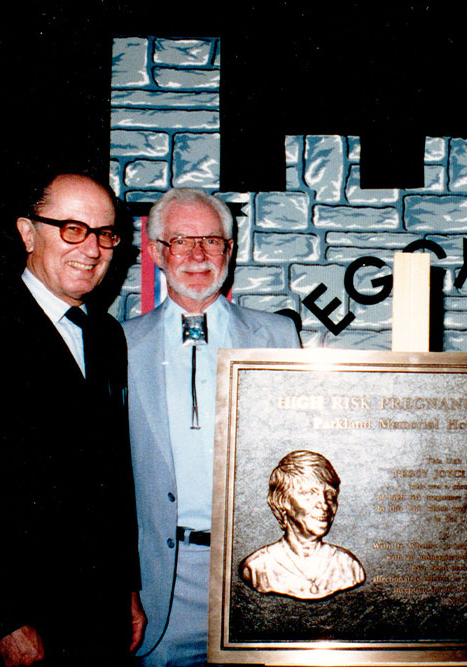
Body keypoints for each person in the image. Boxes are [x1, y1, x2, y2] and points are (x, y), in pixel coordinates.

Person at [0, 173, 145, 666]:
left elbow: (111, 476)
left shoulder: (105, 336)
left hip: (99, 615)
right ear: (27, 232)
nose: (93, 248)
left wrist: (126, 586)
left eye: (105, 233)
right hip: (17, 620)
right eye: (72, 228)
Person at [126, 187, 300, 666]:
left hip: (255, 577)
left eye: (212, 240)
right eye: (181, 241)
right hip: (160, 584)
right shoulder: (119, 345)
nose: (198, 254)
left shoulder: (279, 337)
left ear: (231, 250)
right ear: (157, 252)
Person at [240, 450, 365, 600]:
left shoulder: (349, 566)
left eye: (330, 495)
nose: (324, 505)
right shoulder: (257, 568)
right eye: (309, 493)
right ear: (282, 502)